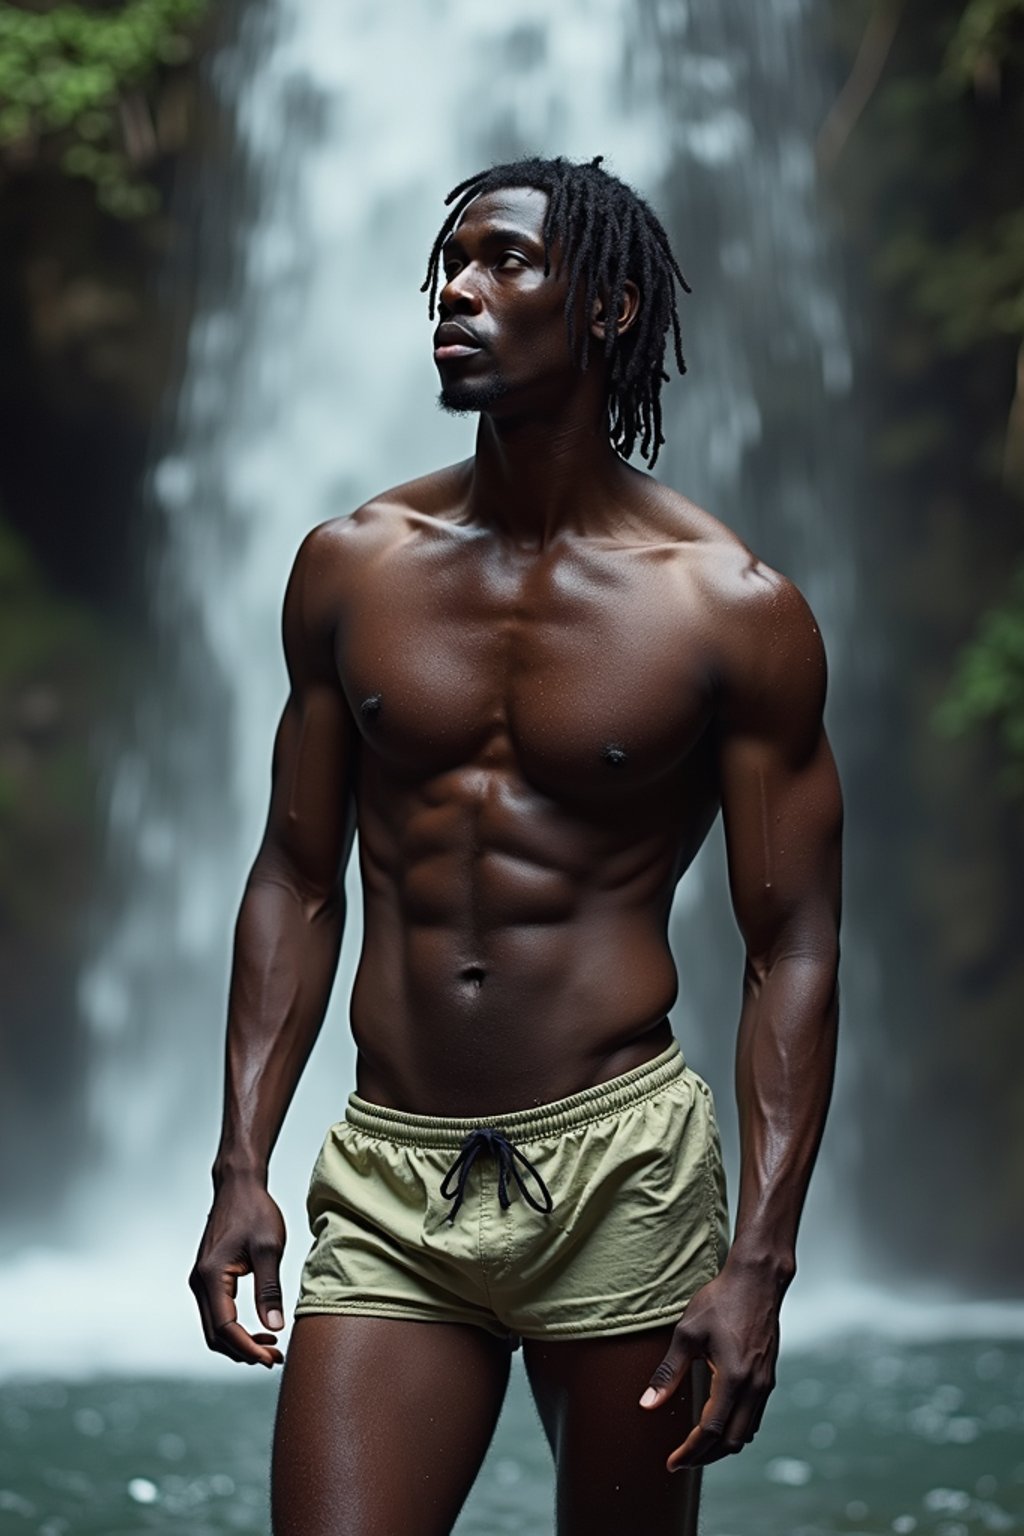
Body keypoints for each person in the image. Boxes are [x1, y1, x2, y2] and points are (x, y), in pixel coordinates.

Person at [189, 153, 843, 1536]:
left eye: (505, 263)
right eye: (451, 264)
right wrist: (241, 1164)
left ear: (605, 306)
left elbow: (793, 943)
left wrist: (761, 1263)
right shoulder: (353, 565)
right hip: (387, 1172)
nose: (459, 291)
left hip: (622, 1170)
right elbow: (295, 875)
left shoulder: (728, 608)